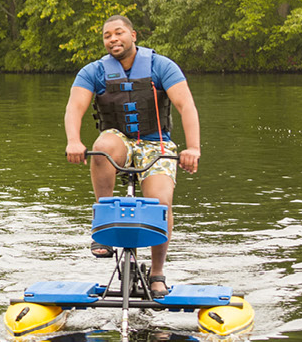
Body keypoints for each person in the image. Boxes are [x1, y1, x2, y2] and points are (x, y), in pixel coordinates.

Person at [64, 15, 201, 298]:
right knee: (101, 146)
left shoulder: (161, 66)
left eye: (118, 33)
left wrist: (193, 148)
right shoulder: (94, 71)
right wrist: (74, 141)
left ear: (133, 35)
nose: (113, 39)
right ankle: (103, 224)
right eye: (107, 36)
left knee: (160, 203)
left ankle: (157, 273)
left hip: (156, 142)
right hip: (119, 140)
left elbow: (186, 105)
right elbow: (74, 108)